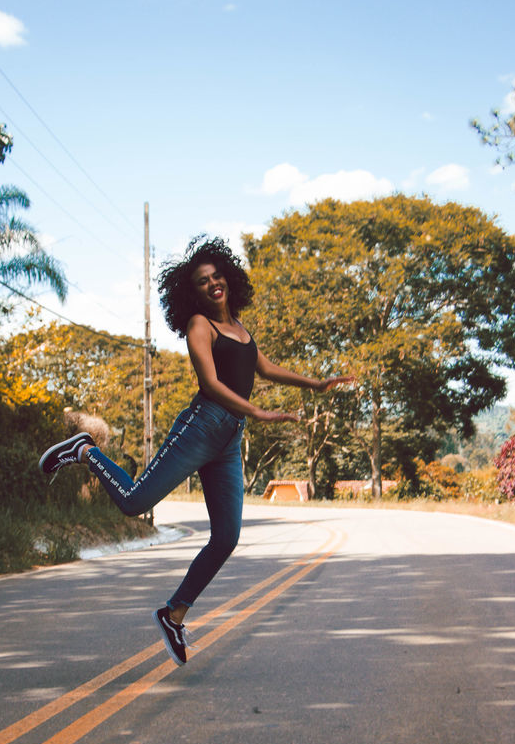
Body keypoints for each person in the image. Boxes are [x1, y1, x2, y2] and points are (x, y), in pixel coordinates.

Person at [38, 235, 352, 666]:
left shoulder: (241, 329)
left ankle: (174, 613)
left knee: (226, 536)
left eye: (217, 275)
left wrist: (314, 383)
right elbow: (212, 385)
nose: (213, 284)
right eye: (203, 281)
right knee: (133, 502)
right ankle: (87, 451)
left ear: (229, 278)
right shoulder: (199, 326)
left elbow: (265, 368)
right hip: (202, 426)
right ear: (194, 292)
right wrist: (257, 412)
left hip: (228, 440)